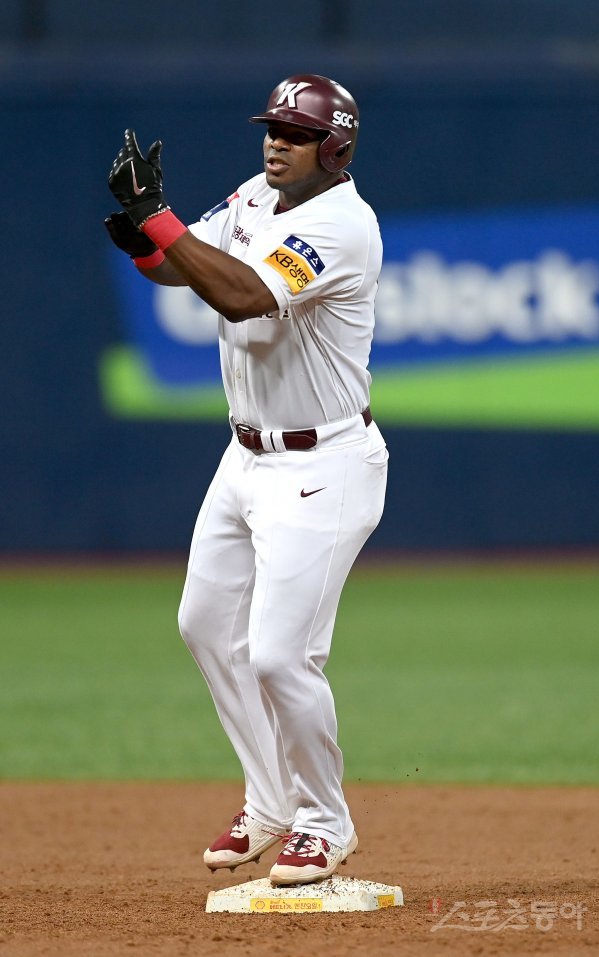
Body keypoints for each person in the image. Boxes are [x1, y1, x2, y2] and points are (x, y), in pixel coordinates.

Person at [106, 74, 388, 886]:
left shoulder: (342, 225)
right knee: (204, 624)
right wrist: (142, 235)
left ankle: (325, 822)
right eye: (272, 128)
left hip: (324, 462)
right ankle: (270, 800)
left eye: (296, 134)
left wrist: (158, 220)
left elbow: (239, 296)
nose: (276, 143)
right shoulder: (255, 197)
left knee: (278, 656)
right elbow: (185, 267)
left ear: (335, 148)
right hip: (247, 457)